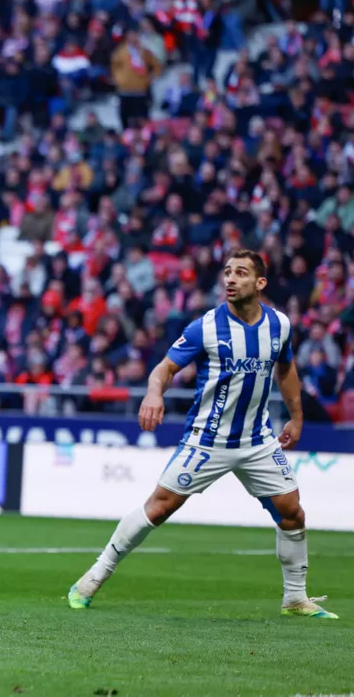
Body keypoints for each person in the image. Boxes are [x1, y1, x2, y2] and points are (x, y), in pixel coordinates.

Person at [68, 249, 338, 619]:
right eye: (227, 272)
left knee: (292, 513)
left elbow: (286, 369)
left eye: (241, 273)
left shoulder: (279, 326)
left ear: (260, 283)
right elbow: (163, 368)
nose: (230, 279)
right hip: (207, 440)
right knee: (159, 507)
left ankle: (295, 598)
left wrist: (295, 417)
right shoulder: (206, 327)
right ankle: (91, 579)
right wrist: (153, 392)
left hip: (257, 440)